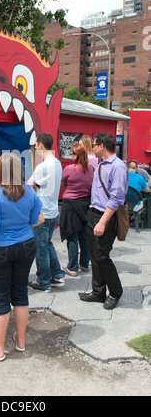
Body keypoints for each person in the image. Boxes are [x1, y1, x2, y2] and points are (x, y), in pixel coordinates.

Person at [0, 153, 44, 361]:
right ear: (20, 170)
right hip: (25, 246)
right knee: (21, 293)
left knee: (1, 297)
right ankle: (21, 340)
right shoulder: (30, 191)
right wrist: (21, 227)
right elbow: (39, 219)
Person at [79, 133, 128, 310]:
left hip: (106, 216)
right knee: (94, 254)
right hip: (94, 213)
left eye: (94, 145)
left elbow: (116, 199)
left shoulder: (118, 167)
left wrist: (102, 222)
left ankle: (115, 292)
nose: (91, 148)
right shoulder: (100, 163)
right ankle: (98, 292)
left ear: (102, 147)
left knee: (101, 256)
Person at [27, 132, 65, 290]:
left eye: (36, 144)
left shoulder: (43, 166)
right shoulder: (57, 163)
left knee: (40, 248)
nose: (35, 147)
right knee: (47, 244)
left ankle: (43, 281)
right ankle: (57, 274)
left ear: (41, 145)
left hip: (42, 214)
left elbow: (29, 185)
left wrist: (33, 184)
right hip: (53, 212)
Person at [60, 144, 94, 276]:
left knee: (72, 237)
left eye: (73, 153)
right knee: (84, 237)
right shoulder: (91, 169)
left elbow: (63, 183)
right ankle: (85, 265)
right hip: (85, 204)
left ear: (77, 155)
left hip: (71, 205)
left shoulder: (69, 168)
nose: (71, 156)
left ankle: (72, 267)